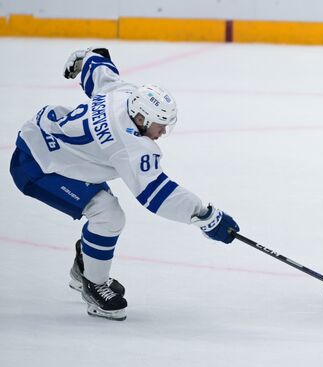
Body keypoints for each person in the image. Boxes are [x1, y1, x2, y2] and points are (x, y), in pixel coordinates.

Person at [9, 47, 240, 321]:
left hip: (47, 145)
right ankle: (93, 284)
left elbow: (100, 72)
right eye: (160, 125)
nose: (163, 132)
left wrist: (87, 57)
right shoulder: (131, 145)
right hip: (38, 167)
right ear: (141, 118)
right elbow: (157, 196)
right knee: (107, 215)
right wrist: (204, 215)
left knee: (104, 211)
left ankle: (84, 268)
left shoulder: (122, 95)